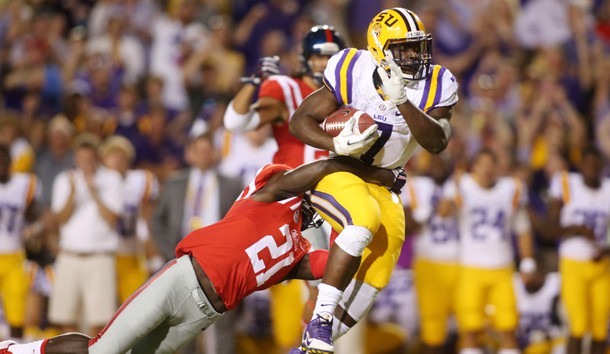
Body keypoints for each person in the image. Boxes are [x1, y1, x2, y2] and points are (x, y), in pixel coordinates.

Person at [0, 156, 403, 354]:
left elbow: (338, 264)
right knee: (103, 351)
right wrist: (376, 174)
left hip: (205, 312)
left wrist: (373, 232)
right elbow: (324, 166)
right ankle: (21, 350)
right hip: (182, 279)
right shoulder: (265, 198)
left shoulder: (298, 253)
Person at [288, 7, 459, 353]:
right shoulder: (354, 68)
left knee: (381, 265)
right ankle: (320, 319)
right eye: (404, 49)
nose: (414, 56)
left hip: (385, 182)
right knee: (362, 221)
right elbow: (300, 120)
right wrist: (333, 142)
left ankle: (309, 345)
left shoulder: (438, 81)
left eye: (417, 47)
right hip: (342, 172)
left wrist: (403, 102)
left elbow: (437, 143)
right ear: (380, 50)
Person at [223, 24, 346, 351]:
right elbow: (237, 122)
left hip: (338, 196)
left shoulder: (348, 94)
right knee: (322, 286)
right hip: (299, 200)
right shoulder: (287, 89)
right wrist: (252, 86)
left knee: (335, 289)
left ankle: (303, 347)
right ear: (305, 58)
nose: (324, 65)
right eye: (319, 57)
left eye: (331, 58)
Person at [438, 149, 537, 354]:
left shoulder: (512, 188)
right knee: (470, 330)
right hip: (470, 267)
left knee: (509, 328)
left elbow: (523, 227)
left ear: (498, 167)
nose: (487, 170)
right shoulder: (462, 185)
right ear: (474, 168)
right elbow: (443, 214)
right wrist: (451, 190)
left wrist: (528, 262)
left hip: (503, 267)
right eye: (482, 164)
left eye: (491, 164)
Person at [48, 134, 124, 337]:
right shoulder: (65, 179)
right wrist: (73, 193)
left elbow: (111, 219)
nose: (85, 164)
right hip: (69, 256)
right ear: (75, 158)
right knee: (65, 320)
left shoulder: (111, 179)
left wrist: (95, 192)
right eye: (81, 159)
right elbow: (59, 219)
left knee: (99, 323)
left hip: (99, 257)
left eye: (89, 159)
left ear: (97, 158)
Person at [546, 146, 610, 354]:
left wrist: (607, 249)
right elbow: (550, 228)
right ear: (580, 165)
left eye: (596, 164)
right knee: (578, 325)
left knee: (600, 327)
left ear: (602, 166)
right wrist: (576, 228)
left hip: (603, 265)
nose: (592, 168)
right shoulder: (565, 183)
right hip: (573, 262)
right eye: (588, 163)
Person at [405, 154, 459, 354]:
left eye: (441, 160)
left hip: (462, 260)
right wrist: (422, 214)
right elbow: (404, 226)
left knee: (467, 326)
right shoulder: (417, 186)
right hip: (429, 261)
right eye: (433, 161)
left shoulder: (461, 183)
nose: (437, 165)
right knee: (432, 329)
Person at [99, 136, 162, 304]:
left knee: (136, 305)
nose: (118, 160)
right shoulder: (97, 182)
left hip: (132, 252)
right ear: (104, 159)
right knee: (105, 308)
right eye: (113, 155)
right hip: (105, 253)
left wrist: (153, 254)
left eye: (122, 155)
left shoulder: (139, 180)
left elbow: (148, 220)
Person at [0, 145, 41, 341]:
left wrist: (34, 230)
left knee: (16, 317)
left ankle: (15, 349)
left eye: (4, 159)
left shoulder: (24, 183)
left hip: (14, 256)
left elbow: (33, 215)